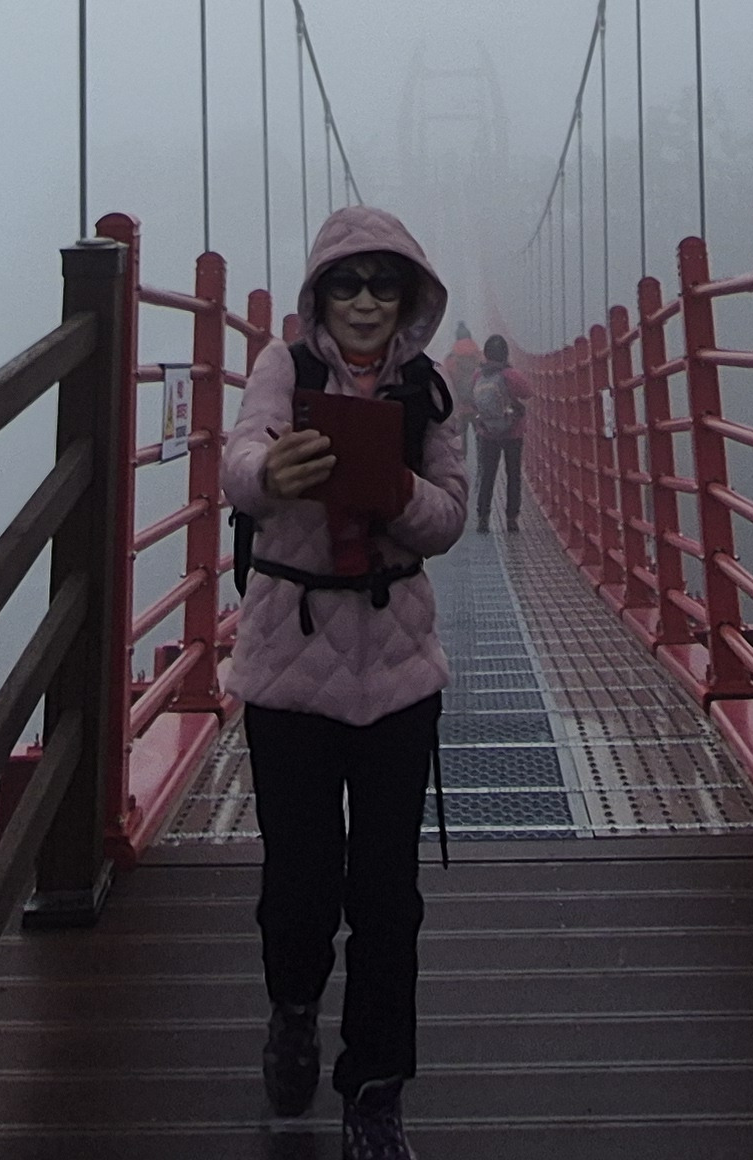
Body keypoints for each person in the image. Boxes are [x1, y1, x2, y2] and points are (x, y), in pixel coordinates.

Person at [222, 205, 470, 1158]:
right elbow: (239, 462)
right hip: (289, 667)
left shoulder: (429, 389)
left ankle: (375, 1091)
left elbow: (449, 516)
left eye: (384, 285)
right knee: (299, 881)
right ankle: (293, 1008)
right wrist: (274, 474)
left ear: (409, 299)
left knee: (387, 895)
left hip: (398, 670)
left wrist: (392, 488)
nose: (365, 302)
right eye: (346, 284)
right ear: (319, 295)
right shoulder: (284, 369)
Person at [466, 334, 526, 533]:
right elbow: (528, 392)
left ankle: (483, 517)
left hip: (487, 432)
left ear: (486, 353)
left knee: (487, 475)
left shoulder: (478, 375)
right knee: (513, 475)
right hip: (513, 432)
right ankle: (511, 519)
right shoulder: (511, 375)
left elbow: (472, 398)